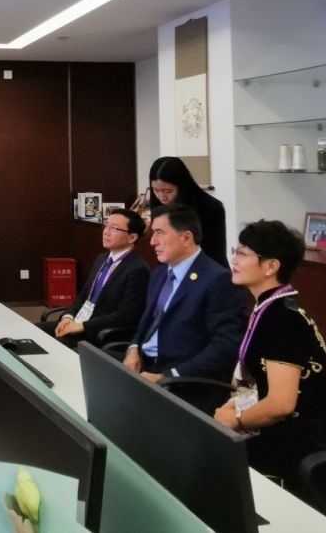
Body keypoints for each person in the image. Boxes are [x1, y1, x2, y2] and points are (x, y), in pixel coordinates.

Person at [213, 220, 326, 485]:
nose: (234, 259)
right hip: (281, 428)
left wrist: (237, 419)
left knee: (207, 464)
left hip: (299, 444)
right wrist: (238, 405)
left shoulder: (283, 320)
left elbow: (281, 404)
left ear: (271, 266)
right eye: (236, 251)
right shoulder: (272, 306)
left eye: (243, 254)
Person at [124, 203, 246, 381]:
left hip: (182, 377)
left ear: (186, 238)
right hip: (145, 364)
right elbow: (148, 324)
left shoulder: (219, 280)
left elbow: (224, 346)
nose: (152, 241)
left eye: (159, 233)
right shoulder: (159, 274)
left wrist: (169, 376)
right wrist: (133, 349)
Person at [38, 208, 149, 347]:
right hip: (79, 321)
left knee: (50, 346)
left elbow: (126, 315)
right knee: (32, 331)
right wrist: (68, 316)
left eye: (114, 228)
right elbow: (84, 294)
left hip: (98, 332)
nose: (106, 232)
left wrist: (82, 326)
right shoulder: (101, 259)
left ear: (132, 238)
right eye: (106, 226)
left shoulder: (138, 269)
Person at [148, 156, 228, 265]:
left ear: (181, 187)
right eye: (155, 190)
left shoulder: (210, 207)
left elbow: (214, 252)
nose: (161, 197)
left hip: (203, 268)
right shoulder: (158, 208)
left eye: (167, 191)